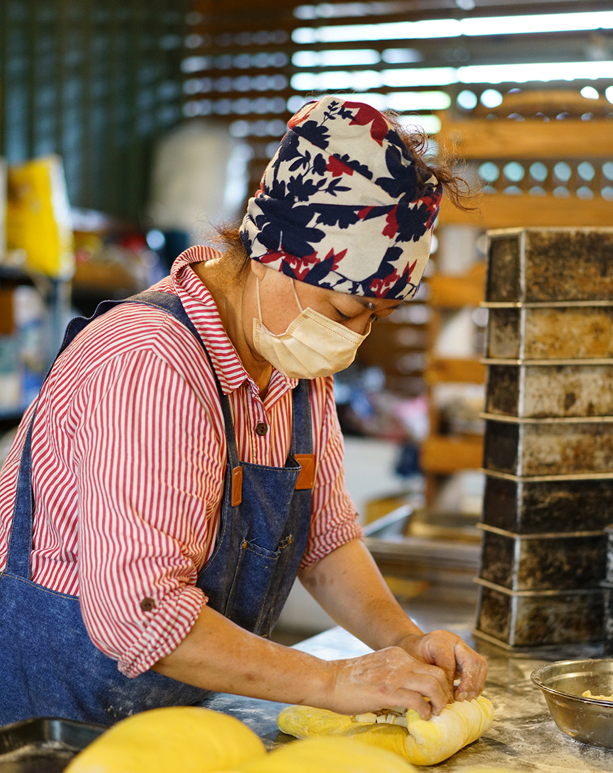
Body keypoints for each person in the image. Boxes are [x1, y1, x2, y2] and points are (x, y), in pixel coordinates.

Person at [0, 96, 487, 727]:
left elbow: (324, 538)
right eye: (344, 312)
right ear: (277, 254)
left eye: (376, 317)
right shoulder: (152, 361)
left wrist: (402, 642)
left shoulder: (290, 361)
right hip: (45, 726)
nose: (352, 338)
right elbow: (139, 616)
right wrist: (334, 681)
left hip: (171, 725)